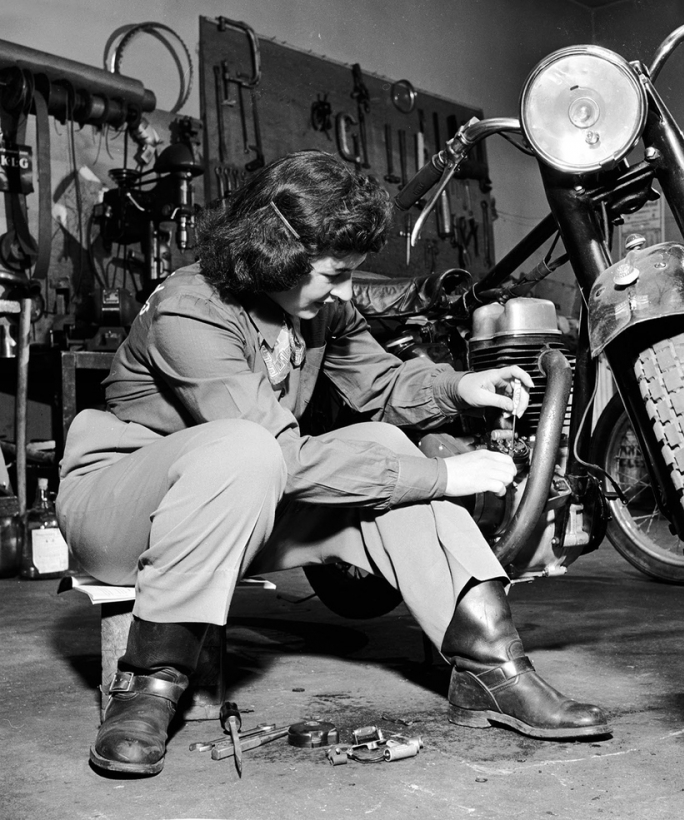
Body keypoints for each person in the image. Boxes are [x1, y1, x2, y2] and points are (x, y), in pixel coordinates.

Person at [56, 150, 609, 777]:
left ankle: (494, 666)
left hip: (246, 511)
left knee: (384, 445)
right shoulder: (190, 308)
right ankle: (150, 684)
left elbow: (381, 386)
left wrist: (460, 388)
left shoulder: (316, 308)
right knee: (248, 448)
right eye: (334, 273)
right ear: (277, 253)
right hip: (125, 509)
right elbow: (279, 458)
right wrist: (446, 476)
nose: (346, 291)